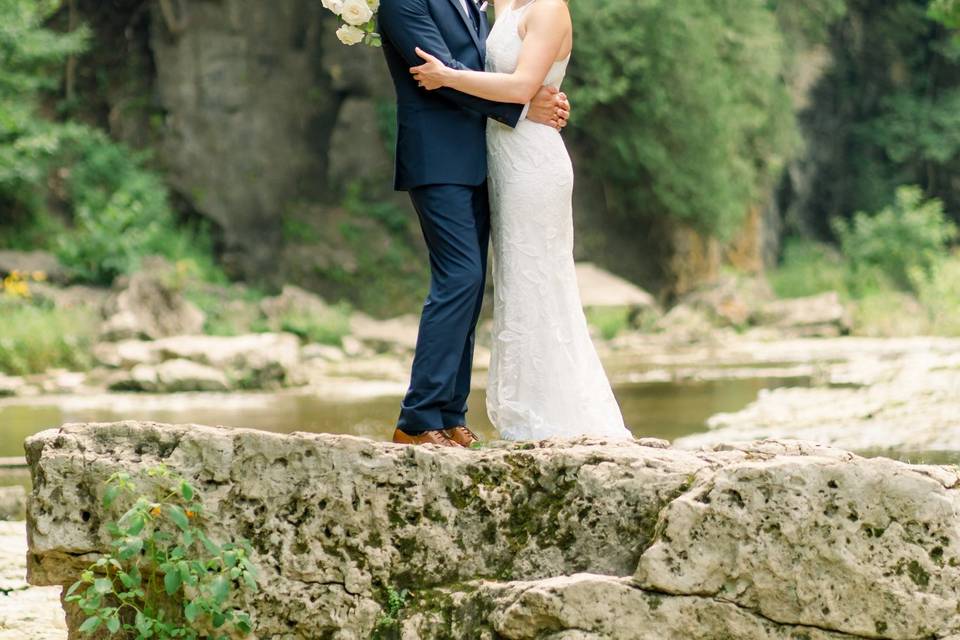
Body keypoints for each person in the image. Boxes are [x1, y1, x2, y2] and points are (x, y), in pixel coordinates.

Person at [410, 0, 633, 441]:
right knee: (514, 278)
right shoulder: (502, 4)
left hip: (533, 160)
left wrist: (447, 77)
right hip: (500, 158)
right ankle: (524, 408)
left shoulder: (550, 8)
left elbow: (520, 87)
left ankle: (557, 411)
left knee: (540, 277)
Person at [378, 0, 573, 447]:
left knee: (472, 281)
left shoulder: (478, 2)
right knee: (460, 275)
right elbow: (436, 74)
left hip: (483, 158)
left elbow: (495, 66)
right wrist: (522, 109)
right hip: (436, 157)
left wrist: (536, 93)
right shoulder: (402, 3)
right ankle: (417, 417)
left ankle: (449, 412)